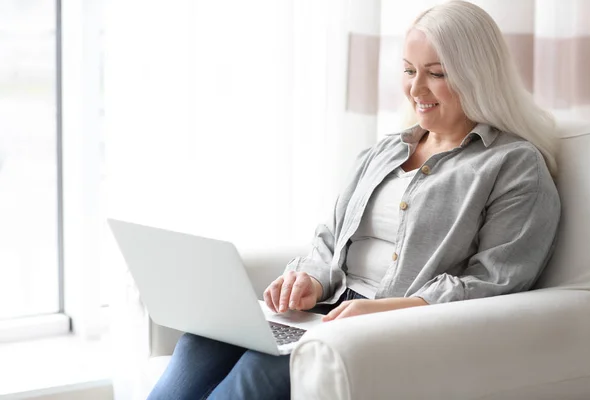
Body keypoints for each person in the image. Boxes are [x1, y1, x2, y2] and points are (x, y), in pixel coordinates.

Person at [147, 1, 561, 399]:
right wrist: (307, 278)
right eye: (409, 70)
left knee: (261, 370)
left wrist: (389, 311)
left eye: (436, 73)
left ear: (478, 74)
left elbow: (494, 282)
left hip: (396, 329)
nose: (416, 88)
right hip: (329, 313)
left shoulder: (514, 164)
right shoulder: (385, 152)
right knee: (203, 341)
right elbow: (328, 239)